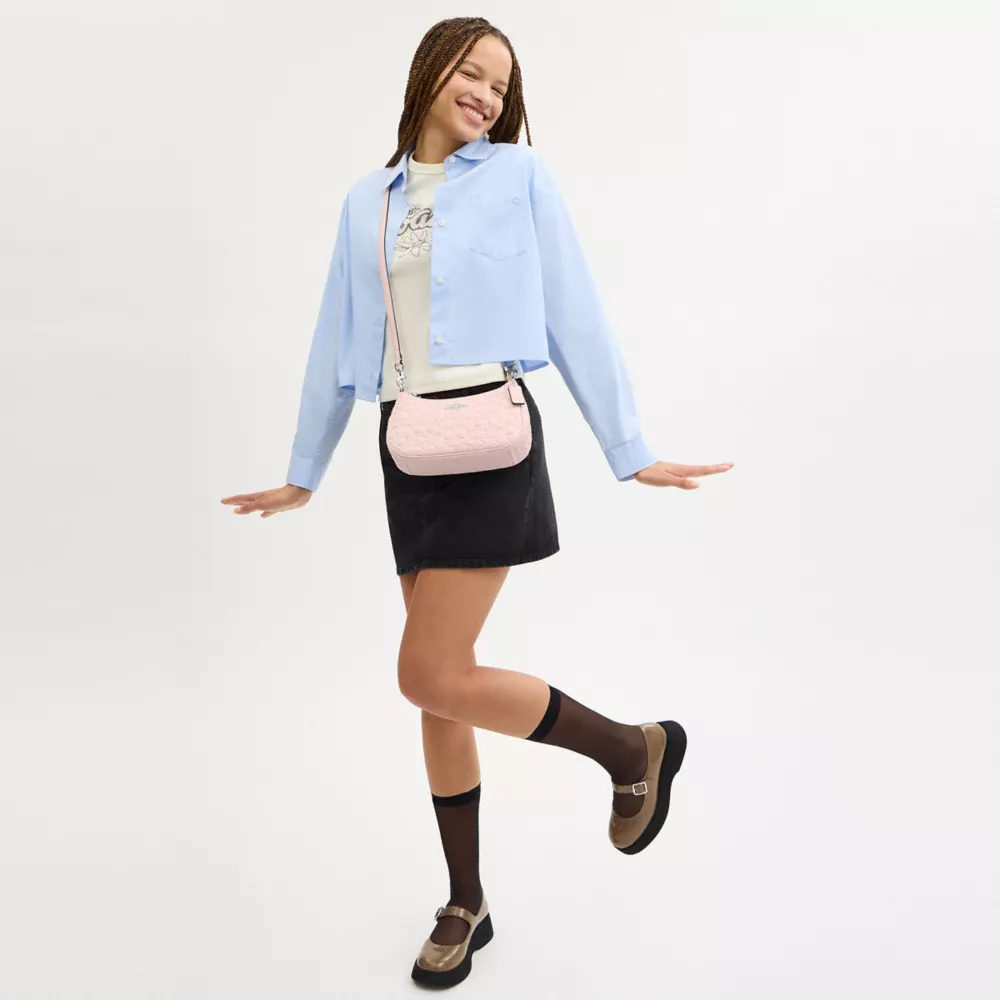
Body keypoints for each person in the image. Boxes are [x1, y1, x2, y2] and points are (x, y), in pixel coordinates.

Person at [221, 16, 733, 989]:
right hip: (407, 443)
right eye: (472, 71)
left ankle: (631, 749)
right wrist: (304, 467)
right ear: (429, 70)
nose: (487, 94)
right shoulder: (366, 201)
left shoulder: (518, 177)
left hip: (492, 437)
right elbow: (337, 334)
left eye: (500, 85)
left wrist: (629, 448)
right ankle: (467, 901)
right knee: (437, 687)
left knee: (426, 670)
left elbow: (574, 309)